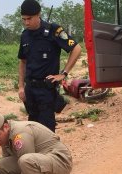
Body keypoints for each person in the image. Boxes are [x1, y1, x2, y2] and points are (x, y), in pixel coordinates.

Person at [18, 0, 82, 132]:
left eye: (29, 19)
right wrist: (20, 87)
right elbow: (23, 62)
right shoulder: (25, 35)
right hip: (30, 90)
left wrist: (63, 73)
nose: (26, 23)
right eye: (23, 19)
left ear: (38, 14)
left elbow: (76, 49)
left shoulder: (54, 30)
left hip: (46, 90)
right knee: (32, 128)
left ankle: (50, 153)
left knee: (47, 131)